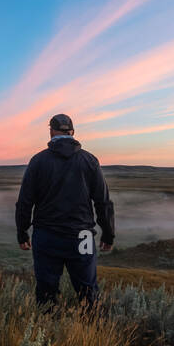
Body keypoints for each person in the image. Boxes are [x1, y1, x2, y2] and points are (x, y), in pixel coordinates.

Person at [14, 113, 115, 307]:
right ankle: (94, 332)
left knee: (46, 292)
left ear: (51, 132)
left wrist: (22, 233)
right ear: (73, 132)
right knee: (87, 290)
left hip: (46, 236)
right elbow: (103, 201)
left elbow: (25, 201)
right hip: (82, 236)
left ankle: (47, 332)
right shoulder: (89, 160)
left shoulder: (38, 161)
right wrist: (108, 234)